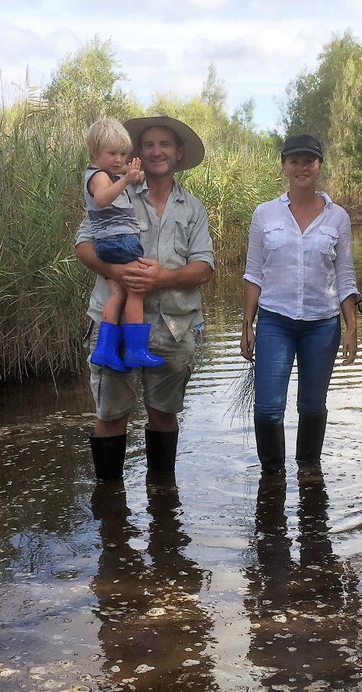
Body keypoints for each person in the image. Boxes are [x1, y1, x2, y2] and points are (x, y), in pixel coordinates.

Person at [75, 116, 214, 482]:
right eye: (149, 144)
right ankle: (108, 506)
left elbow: (204, 268)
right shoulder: (114, 188)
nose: (156, 152)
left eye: (165, 144)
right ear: (139, 152)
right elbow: (83, 245)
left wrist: (162, 277)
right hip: (115, 324)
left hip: (173, 325)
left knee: (164, 414)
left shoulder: (192, 208)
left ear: (178, 153)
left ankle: (163, 503)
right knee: (111, 414)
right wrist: (118, 273)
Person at [240, 134, 358, 474]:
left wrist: (351, 327)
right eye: (294, 161)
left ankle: (309, 470)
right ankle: (272, 475)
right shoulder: (264, 214)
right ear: (284, 167)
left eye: (309, 161)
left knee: (311, 405)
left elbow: (346, 275)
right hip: (275, 321)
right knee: (267, 408)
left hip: (322, 324)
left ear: (318, 166)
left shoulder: (338, 218)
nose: (302, 167)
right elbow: (253, 273)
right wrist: (247, 325)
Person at [82, 117, 163, 372]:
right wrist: (126, 180)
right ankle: (136, 350)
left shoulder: (108, 175)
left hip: (108, 244)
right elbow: (103, 199)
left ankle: (105, 350)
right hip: (119, 242)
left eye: (123, 154)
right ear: (95, 153)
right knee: (137, 288)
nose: (119, 160)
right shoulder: (98, 177)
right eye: (112, 154)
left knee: (117, 293)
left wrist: (132, 177)